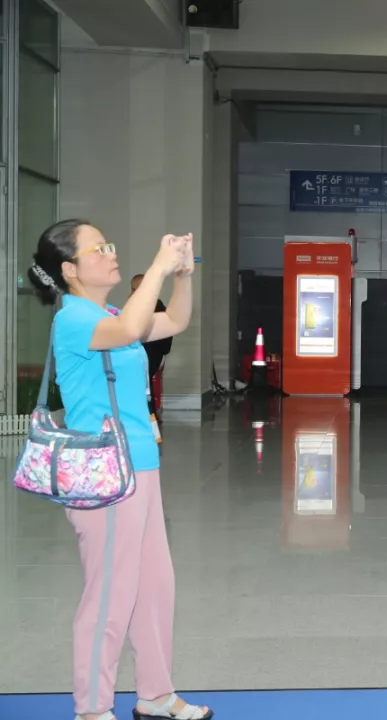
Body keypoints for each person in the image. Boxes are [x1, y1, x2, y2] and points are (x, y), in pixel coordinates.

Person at [26, 220, 209, 720]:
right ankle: (92, 708)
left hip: (139, 466)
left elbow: (175, 321)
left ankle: (155, 694)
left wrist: (183, 273)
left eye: (109, 245)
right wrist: (158, 266)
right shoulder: (73, 319)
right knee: (109, 594)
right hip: (102, 474)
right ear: (69, 269)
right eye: (99, 248)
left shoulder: (110, 312)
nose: (110, 253)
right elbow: (131, 330)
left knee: (154, 587)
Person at [130, 274, 172, 425]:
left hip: (151, 353)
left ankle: (148, 415)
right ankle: (148, 415)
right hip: (147, 352)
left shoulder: (155, 310)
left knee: (141, 379)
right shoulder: (149, 307)